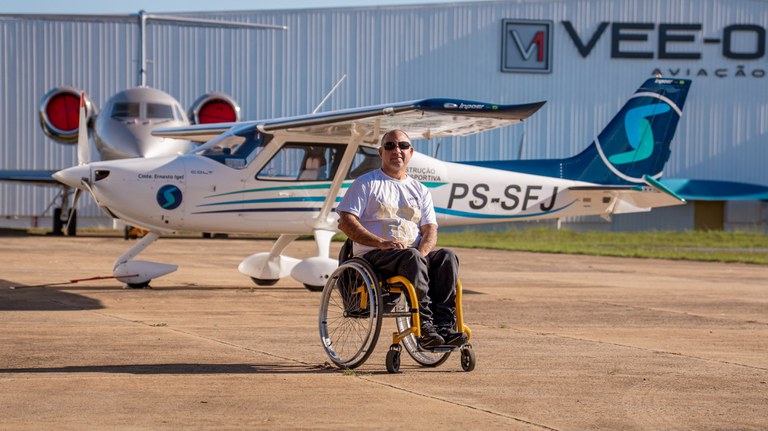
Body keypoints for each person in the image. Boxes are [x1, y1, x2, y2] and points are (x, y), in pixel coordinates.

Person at [336, 129, 467, 349]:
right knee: (412, 256)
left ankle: (445, 326)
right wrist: (379, 242)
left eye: (403, 146)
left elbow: (430, 230)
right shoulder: (366, 183)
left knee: (447, 257)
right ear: (381, 152)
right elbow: (345, 222)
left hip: (411, 256)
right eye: (390, 146)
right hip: (375, 256)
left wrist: (423, 252)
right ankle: (425, 328)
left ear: (411, 152)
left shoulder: (420, 190)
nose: (397, 150)